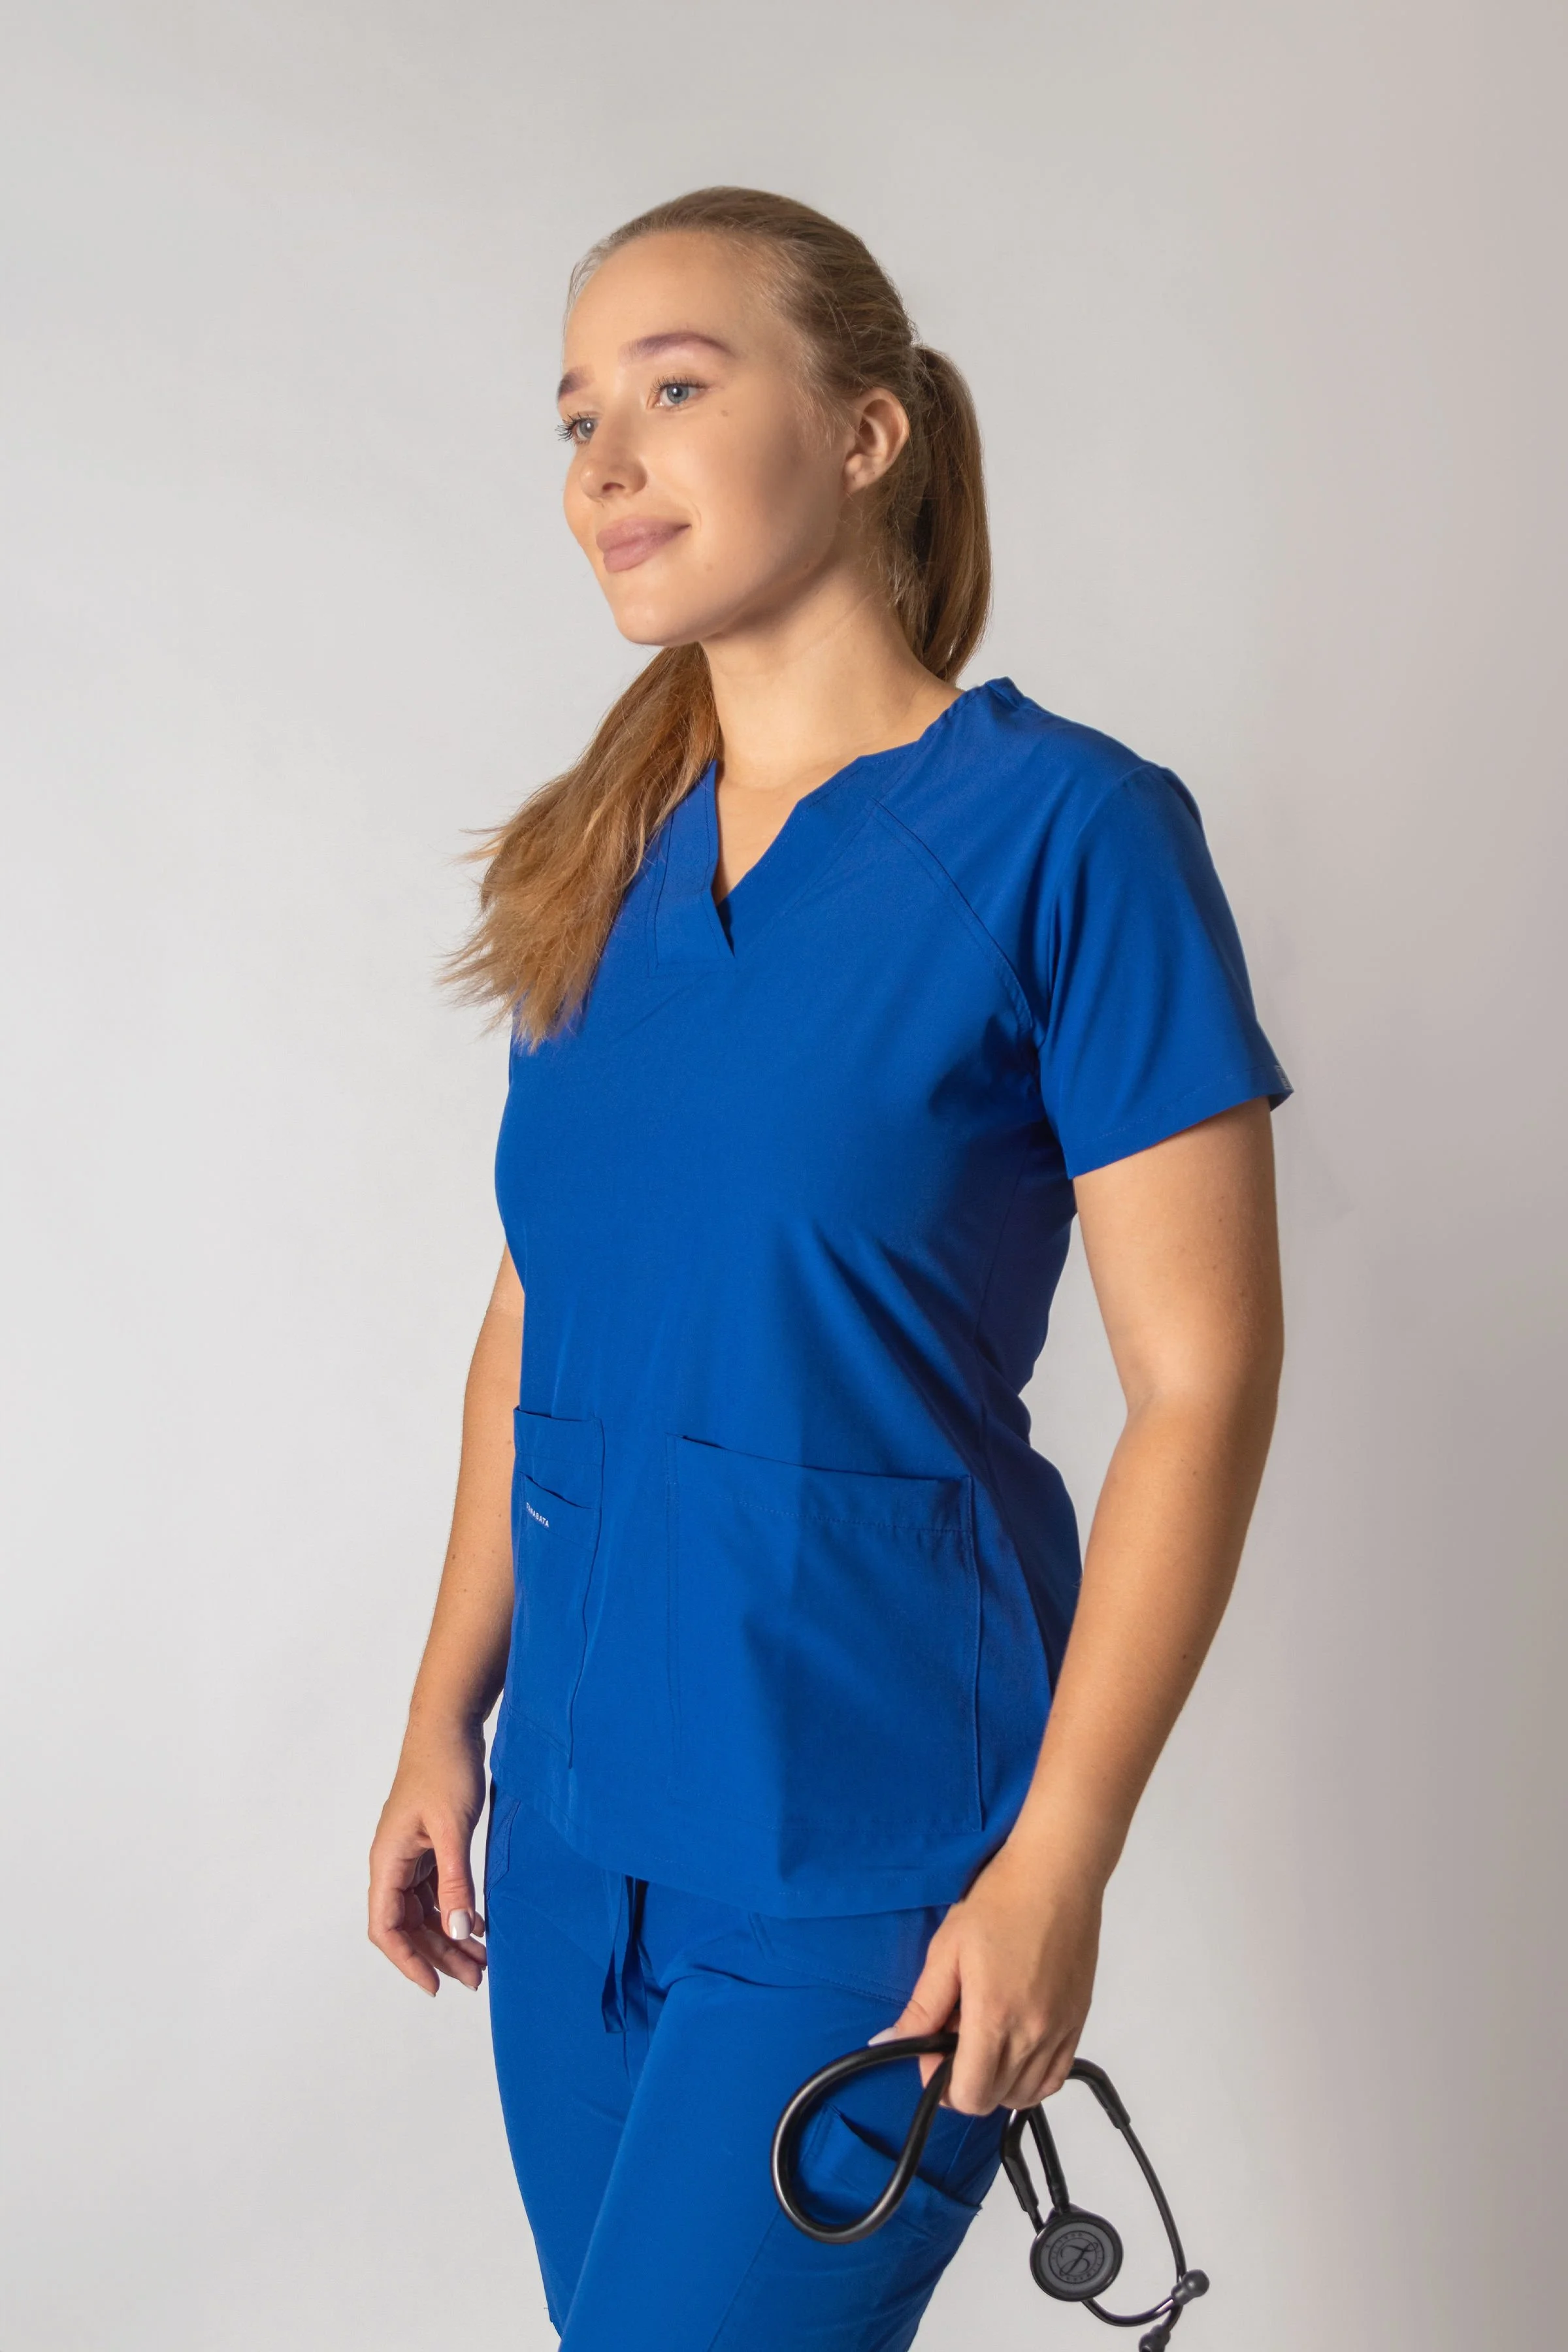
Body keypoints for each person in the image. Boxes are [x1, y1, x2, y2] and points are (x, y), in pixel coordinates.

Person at [367, 185, 1290, 2351]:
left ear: (868, 433)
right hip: (575, 1838)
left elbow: (1204, 1388)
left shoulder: (1072, 840)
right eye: (578, 415)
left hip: (864, 1859)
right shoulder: (600, 865)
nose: (607, 463)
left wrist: (1059, 1860)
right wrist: (441, 1718)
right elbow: (539, 1308)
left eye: (677, 389)